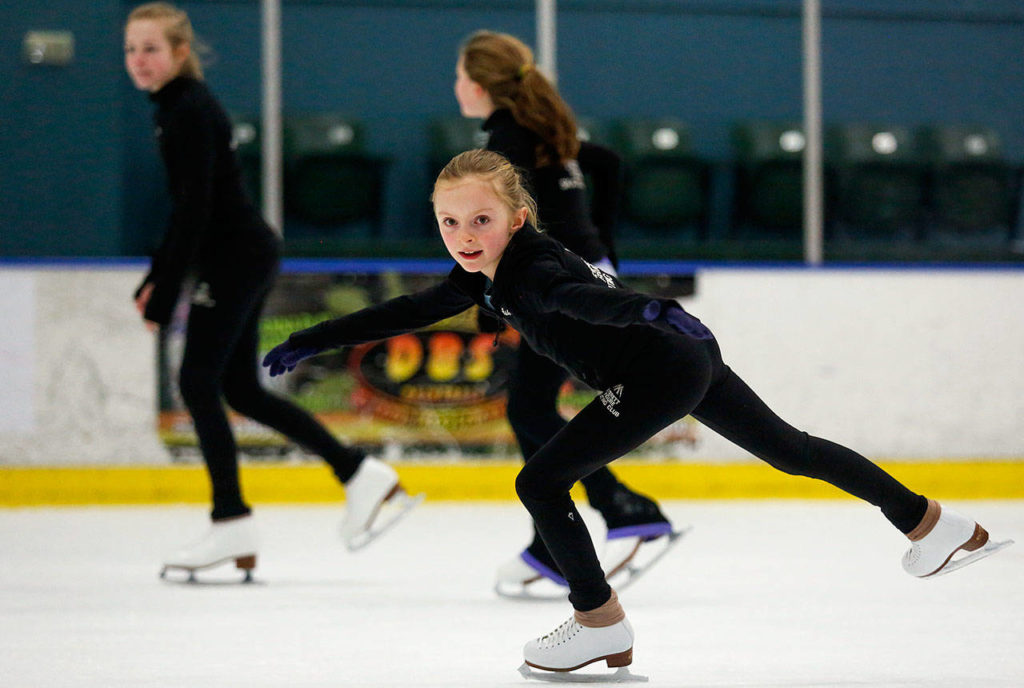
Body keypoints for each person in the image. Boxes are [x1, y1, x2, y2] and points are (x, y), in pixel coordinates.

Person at [264, 149, 1011, 673]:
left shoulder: (534, 268)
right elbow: (407, 308)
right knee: (791, 449)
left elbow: (574, 297)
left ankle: (599, 624)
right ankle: (933, 523)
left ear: (517, 217)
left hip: (658, 366)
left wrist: (647, 310)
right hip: (683, 356)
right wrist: (312, 337)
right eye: (449, 222)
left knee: (540, 482)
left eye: (481, 220)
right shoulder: (485, 275)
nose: (464, 237)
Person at [124, 2, 419, 581]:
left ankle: (231, 520)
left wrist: (161, 293)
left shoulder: (186, 109)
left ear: (181, 53)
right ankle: (359, 474)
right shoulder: (178, 107)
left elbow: (195, 208)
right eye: (131, 49)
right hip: (241, 253)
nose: (139, 60)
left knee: (197, 381)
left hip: (234, 257)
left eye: (151, 48)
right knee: (237, 388)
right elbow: (189, 207)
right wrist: (158, 277)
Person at [454, 30, 677, 594]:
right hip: (583, 271)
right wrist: (604, 247)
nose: (456, 87)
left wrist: (489, 303)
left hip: (557, 283)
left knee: (530, 408)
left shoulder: (507, 139)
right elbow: (608, 162)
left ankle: (618, 511)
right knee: (531, 406)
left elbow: (495, 226)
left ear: (479, 86)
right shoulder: (548, 127)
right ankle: (573, 532)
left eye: (459, 77)